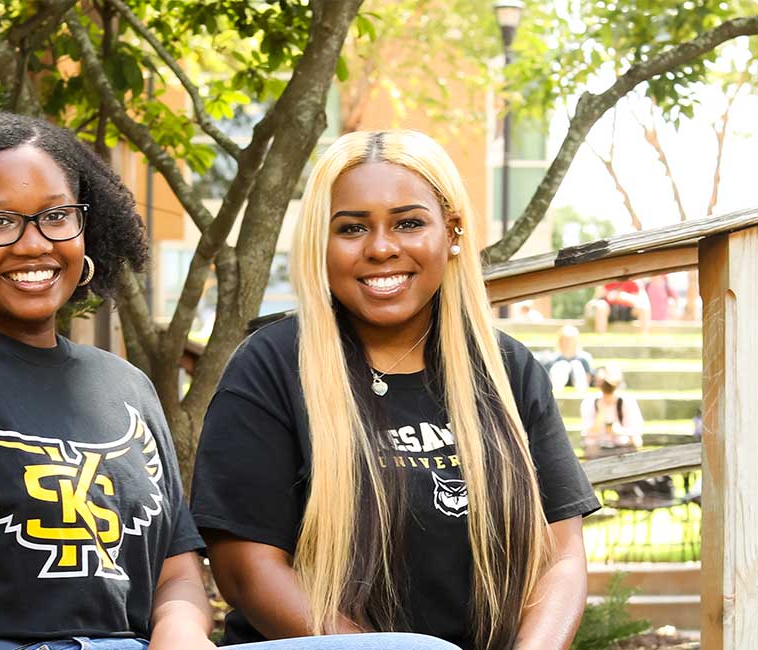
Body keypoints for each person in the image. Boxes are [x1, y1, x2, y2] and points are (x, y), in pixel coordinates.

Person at [0, 113, 386, 650]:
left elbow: (177, 574)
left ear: (86, 228)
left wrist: (179, 631)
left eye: (56, 217)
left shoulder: (126, 387)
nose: (34, 243)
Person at [191, 130, 597, 650]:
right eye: (352, 228)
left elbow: (560, 556)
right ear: (321, 240)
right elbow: (246, 571)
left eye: (408, 223)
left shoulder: (507, 369)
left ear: (451, 233)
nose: (382, 248)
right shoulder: (269, 367)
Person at [580, 366, 644, 456]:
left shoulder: (626, 401)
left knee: (636, 440)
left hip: (623, 448)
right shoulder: (590, 402)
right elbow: (587, 433)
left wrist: (618, 431)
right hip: (598, 449)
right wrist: (600, 414)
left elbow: (637, 430)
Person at [546, 325, 596, 390]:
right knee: (562, 365)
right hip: (558, 381)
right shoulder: (553, 358)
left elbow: (588, 377)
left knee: (576, 364)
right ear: (560, 341)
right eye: (565, 340)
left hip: (579, 383)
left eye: (571, 340)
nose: (568, 343)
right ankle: (556, 389)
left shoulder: (584, 358)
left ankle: (580, 389)